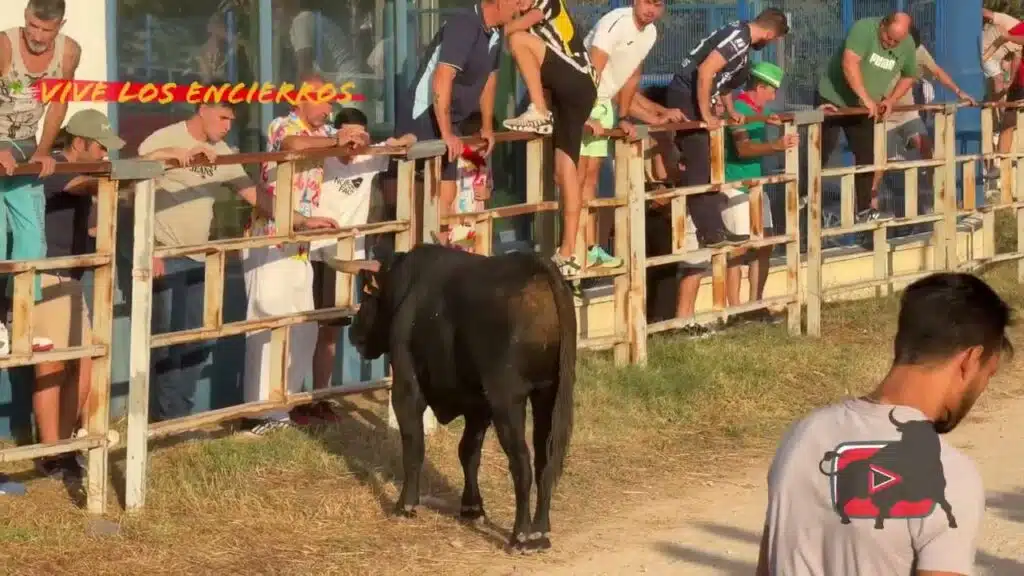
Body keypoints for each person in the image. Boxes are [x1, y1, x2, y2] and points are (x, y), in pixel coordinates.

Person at [755, 272, 1011, 575]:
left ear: (898, 345)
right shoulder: (948, 475)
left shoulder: (801, 437)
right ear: (969, 361)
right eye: (988, 375)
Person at [138, 88, 340, 424]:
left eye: (233, 118)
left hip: (199, 255)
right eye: (223, 116)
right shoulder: (165, 137)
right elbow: (135, 176)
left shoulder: (222, 153)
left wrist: (302, 221)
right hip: (162, 253)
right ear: (202, 109)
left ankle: (180, 421)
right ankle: (161, 423)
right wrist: (176, 153)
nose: (230, 124)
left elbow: (255, 196)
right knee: (166, 342)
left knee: (192, 343)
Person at [32, 110, 211, 476]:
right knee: (51, 368)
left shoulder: (86, 169)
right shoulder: (52, 169)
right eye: (99, 148)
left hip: (70, 276)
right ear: (79, 142)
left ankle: (65, 448)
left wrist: (165, 159)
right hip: (45, 277)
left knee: (83, 365)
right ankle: (52, 454)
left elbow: (104, 180)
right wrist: (145, 167)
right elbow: (87, 183)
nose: (103, 156)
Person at [241, 73, 368, 436]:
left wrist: (355, 139)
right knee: (268, 325)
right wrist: (336, 139)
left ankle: (284, 407)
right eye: (323, 101)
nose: (329, 109)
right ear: (300, 100)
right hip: (271, 239)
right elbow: (291, 143)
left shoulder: (324, 135)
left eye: (331, 102)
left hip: (302, 244)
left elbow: (354, 152)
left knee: (303, 329)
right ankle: (258, 412)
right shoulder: (284, 124)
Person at [308, 107, 415, 411]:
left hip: (349, 254)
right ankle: (299, 399)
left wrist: (391, 142)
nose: (354, 142)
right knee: (302, 326)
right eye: (348, 134)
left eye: (360, 134)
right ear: (336, 133)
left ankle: (320, 398)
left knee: (332, 328)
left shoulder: (371, 157)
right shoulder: (325, 155)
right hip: (314, 250)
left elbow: (409, 140)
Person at [390, 0, 516, 245]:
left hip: (452, 119)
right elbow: (443, 76)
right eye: (519, 0)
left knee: (447, 193)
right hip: (424, 114)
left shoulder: (496, 32)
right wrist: (446, 132)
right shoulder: (465, 23)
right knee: (424, 197)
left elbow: (490, 79)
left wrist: (487, 126)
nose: (522, 7)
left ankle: (441, 259)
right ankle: (417, 260)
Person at [664, 8, 789, 249]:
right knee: (699, 163)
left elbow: (724, 84)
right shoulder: (739, 37)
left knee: (708, 163)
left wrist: (731, 110)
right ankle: (709, 232)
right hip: (686, 95)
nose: (771, 43)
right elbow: (705, 71)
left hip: (698, 97)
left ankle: (715, 229)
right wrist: (705, 113)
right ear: (769, 33)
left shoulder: (743, 48)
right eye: (774, 39)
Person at [0, 0, 81, 352]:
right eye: (32, 26)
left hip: (25, 145)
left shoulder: (68, 52)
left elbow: (59, 102)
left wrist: (44, 150)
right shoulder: (4, 45)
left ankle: (22, 320)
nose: (36, 35)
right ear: (25, 18)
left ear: (60, 25)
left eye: (45, 30)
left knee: (33, 239)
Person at [502, 0, 598, 276]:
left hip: (576, 80)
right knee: (564, 172)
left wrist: (498, 23)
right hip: (576, 92)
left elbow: (514, 29)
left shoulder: (547, 2)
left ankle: (539, 111)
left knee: (517, 39)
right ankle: (568, 252)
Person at [576, 0, 666, 269]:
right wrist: (583, 112)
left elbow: (631, 76)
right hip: (583, 99)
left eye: (658, 5)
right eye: (648, 2)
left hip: (603, 105)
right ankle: (572, 251)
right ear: (635, 1)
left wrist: (624, 115)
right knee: (576, 180)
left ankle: (590, 250)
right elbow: (591, 69)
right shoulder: (616, 21)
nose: (651, 9)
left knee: (590, 180)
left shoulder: (650, 34)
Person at [816, 12, 917, 222]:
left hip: (864, 108)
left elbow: (909, 75)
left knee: (868, 157)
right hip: (833, 101)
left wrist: (890, 100)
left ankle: (863, 210)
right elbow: (849, 63)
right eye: (889, 37)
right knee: (819, 153)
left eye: (896, 41)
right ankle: (804, 201)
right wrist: (865, 98)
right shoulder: (863, 29)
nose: (891, 44)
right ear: (882, 25)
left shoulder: (906, 44)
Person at [722, 62, 795, 323]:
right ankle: (735, 310)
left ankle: (755, 304)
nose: (774, 97)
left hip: (756, 185)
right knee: (739, 249)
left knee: (765, 244)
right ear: (759, 87)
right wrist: (776, 144)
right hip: (736, 187)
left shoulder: (759, 110)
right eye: (771, 91)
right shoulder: (739, 109)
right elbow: (743, 149)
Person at [877, 25, 974, 195]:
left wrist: (959, 91)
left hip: (908, 111)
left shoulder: (919, 51)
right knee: (880, 164)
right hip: (883, 116)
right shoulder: (882, 49)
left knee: (925, 145)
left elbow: (936, 71)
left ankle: (938, 193)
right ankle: (871, 202)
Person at [982, 10, 1024, 184]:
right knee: (1008, 123)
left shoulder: (1015, 32)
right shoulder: (1015, 29)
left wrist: (1009, 37)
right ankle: (999, 164)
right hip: (1019, 85)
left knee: (1010, 122)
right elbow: (1016, 57)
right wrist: (1011, 81)